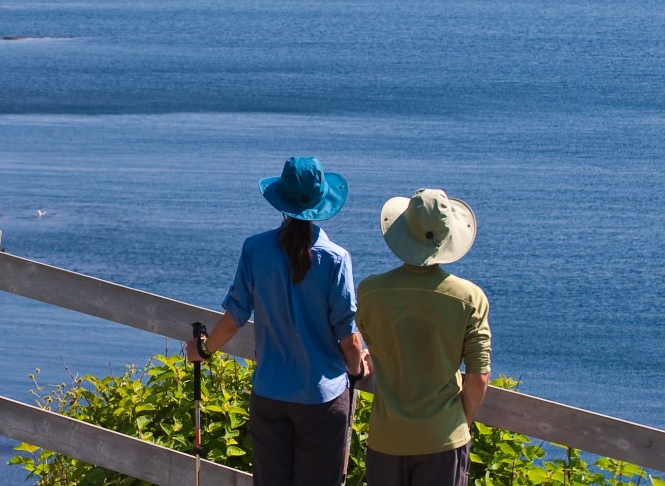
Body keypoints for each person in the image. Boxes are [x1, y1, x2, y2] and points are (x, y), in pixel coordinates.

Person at [188, 157, 371, 486]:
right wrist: (357, 369)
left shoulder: (255, 249)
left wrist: (204, 350)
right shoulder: (336, 258)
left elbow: (234, 319)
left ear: (281, 202)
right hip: (322, 398)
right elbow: (349, 337)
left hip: (270, 393)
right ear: (321, 203)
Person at [356, 188, 490, 486]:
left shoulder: (371, 292)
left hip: (386, 437)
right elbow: (478, 378)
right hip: (442, 437)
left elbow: (372, 344)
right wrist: (459, 423)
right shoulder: (469, 297)